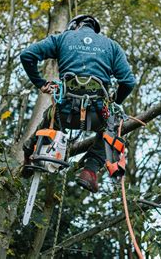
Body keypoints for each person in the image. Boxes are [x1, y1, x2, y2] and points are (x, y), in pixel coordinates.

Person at [19, 14, 136, 193]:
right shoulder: (111, 46)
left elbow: (27, 55)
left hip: (64, 112)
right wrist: (113, 103)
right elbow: (128, 82)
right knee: (114, 128)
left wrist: (40, 83)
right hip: (97, 114)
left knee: (49, 118)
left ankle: (30, 150)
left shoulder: (62, 38)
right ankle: (90, 170)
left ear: (74, 26)